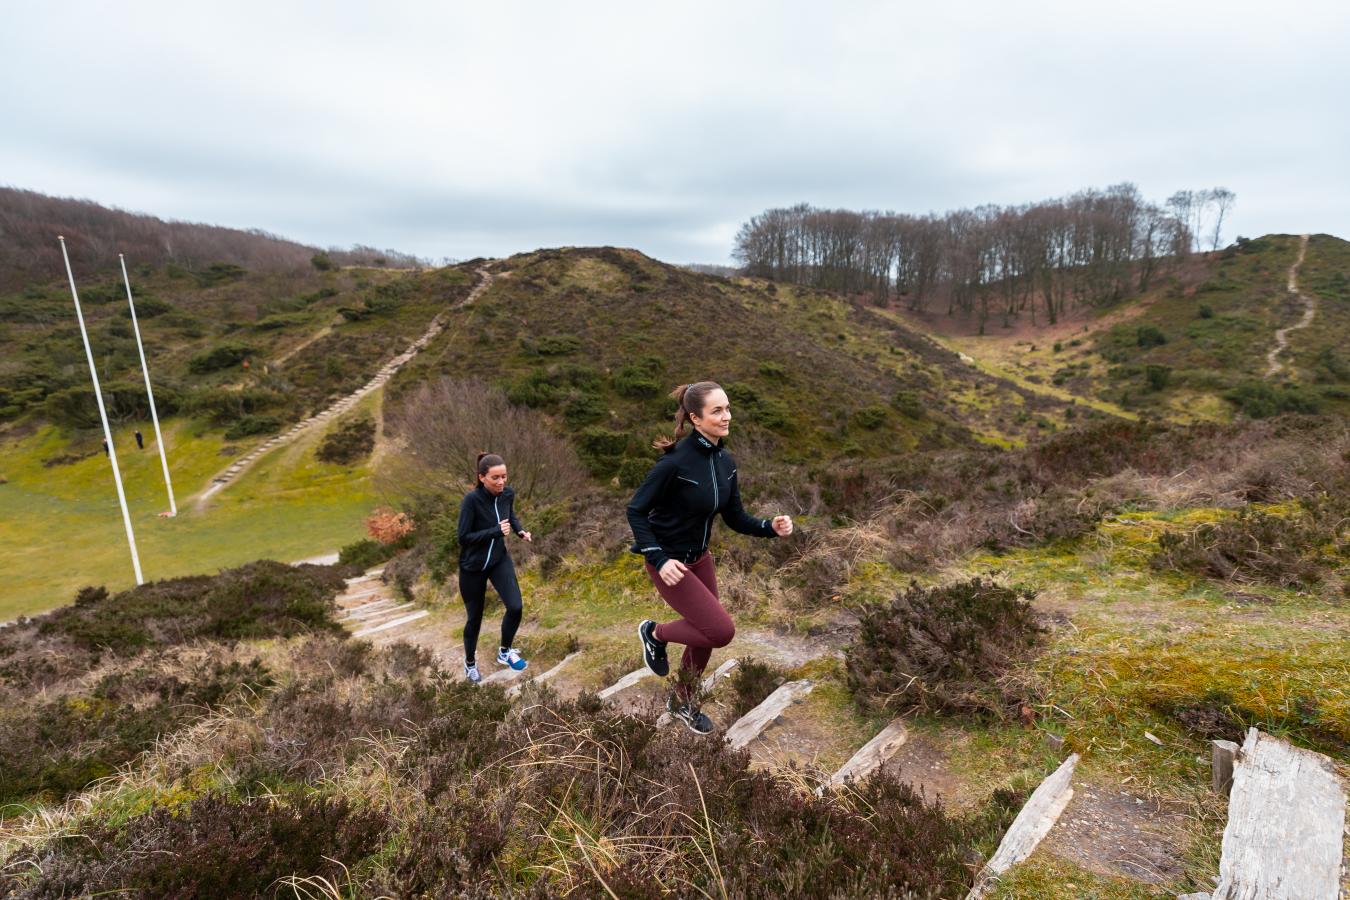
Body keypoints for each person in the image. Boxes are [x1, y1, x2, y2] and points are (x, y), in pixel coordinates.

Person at [627, 381, 793, 734]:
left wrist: (769, 527)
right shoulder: (673, 463)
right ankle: (654, 633)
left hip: (700, 559)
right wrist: (657, 557)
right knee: (719, 631)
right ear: (695, 418)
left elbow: (735, 517)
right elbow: (636, 511)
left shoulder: (725, 461)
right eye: (716, 410)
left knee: (703, 635)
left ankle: (682, 700)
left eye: (727, 408)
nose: (726, 416)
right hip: (670, 564)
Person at [457, 452, 533, 683]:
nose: (501, 482)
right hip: (473, 567)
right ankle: (470, 663)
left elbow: (509, 515)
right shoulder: (471, 500)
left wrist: (519, 531)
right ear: (482, 478)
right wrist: (495, 532)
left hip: (499, 560)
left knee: (516, 606)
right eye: (495, 478)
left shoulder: (507, 494)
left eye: (504, 476)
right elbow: (463, 537)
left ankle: (505, 651)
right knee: (475, 619)